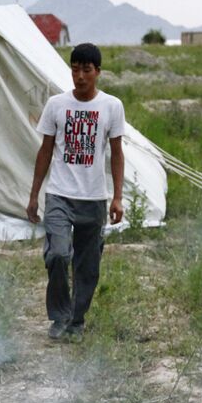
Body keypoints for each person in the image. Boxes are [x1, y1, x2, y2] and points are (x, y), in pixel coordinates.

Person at [26, 43, 125, 341]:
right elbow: (45, 151)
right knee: (57, 254)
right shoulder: (57, 104)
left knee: (87, 265)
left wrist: (117, 196)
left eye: (86, 70)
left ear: (97, 72)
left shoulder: (111, 106)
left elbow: (117, 153)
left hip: (93, 198)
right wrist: (33, 196)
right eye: (75, 69)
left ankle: (77, 321)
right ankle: (59, 316)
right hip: (59, 194)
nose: (79, 76)